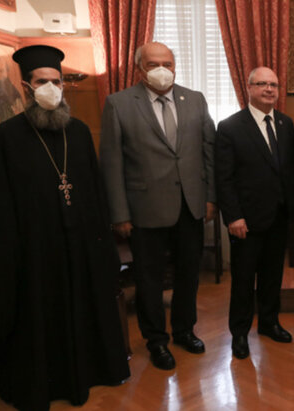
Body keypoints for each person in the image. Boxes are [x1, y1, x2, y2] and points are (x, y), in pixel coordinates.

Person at [0, 44, 130, 410]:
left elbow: (93, 191)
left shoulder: (78, 131)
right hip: (34, 251)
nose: (51, 88)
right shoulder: (5, 137)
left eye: (56, 81)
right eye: (43, 82)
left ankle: (84, 376)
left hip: (80, 246)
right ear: (26, 87)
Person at [100, 42, 216, 370]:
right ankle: (156, 340)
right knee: (150, 280)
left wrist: (210, 198)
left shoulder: (194, 99)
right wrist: (119, 214)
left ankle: (183, 330)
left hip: (189, 206)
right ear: (140, 68)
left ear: (175, 65)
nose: (162, 69)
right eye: (153, 64)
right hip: (144, 210)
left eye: (168, 62)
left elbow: (208, 151)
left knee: (188, 275)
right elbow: (111, 164)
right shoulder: (119, 104)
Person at [216, 67, 294, 360]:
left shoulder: (286, 124)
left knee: (273, 276)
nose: (269, 89)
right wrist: (233, 216)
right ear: (249, 88)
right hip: (245, 221)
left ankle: (269, 323)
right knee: (243, 280)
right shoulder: (230, 127)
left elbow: (289, 170)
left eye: (274, 84)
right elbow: (224, 178)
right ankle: (239, 333)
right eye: (262, 84)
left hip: (278, 216)